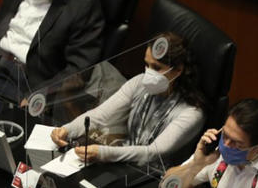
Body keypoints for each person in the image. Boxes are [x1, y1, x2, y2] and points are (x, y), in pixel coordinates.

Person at [50, 31, 206, 165]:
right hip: (122, 163)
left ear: (178, 70)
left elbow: (153, 152)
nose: (149, 72)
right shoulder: (139, 83)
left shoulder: (192, 113)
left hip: (154, 177)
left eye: (156, 68)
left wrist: (103, 153)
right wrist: (67, 130)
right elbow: (100, 116)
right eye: (147, 65)